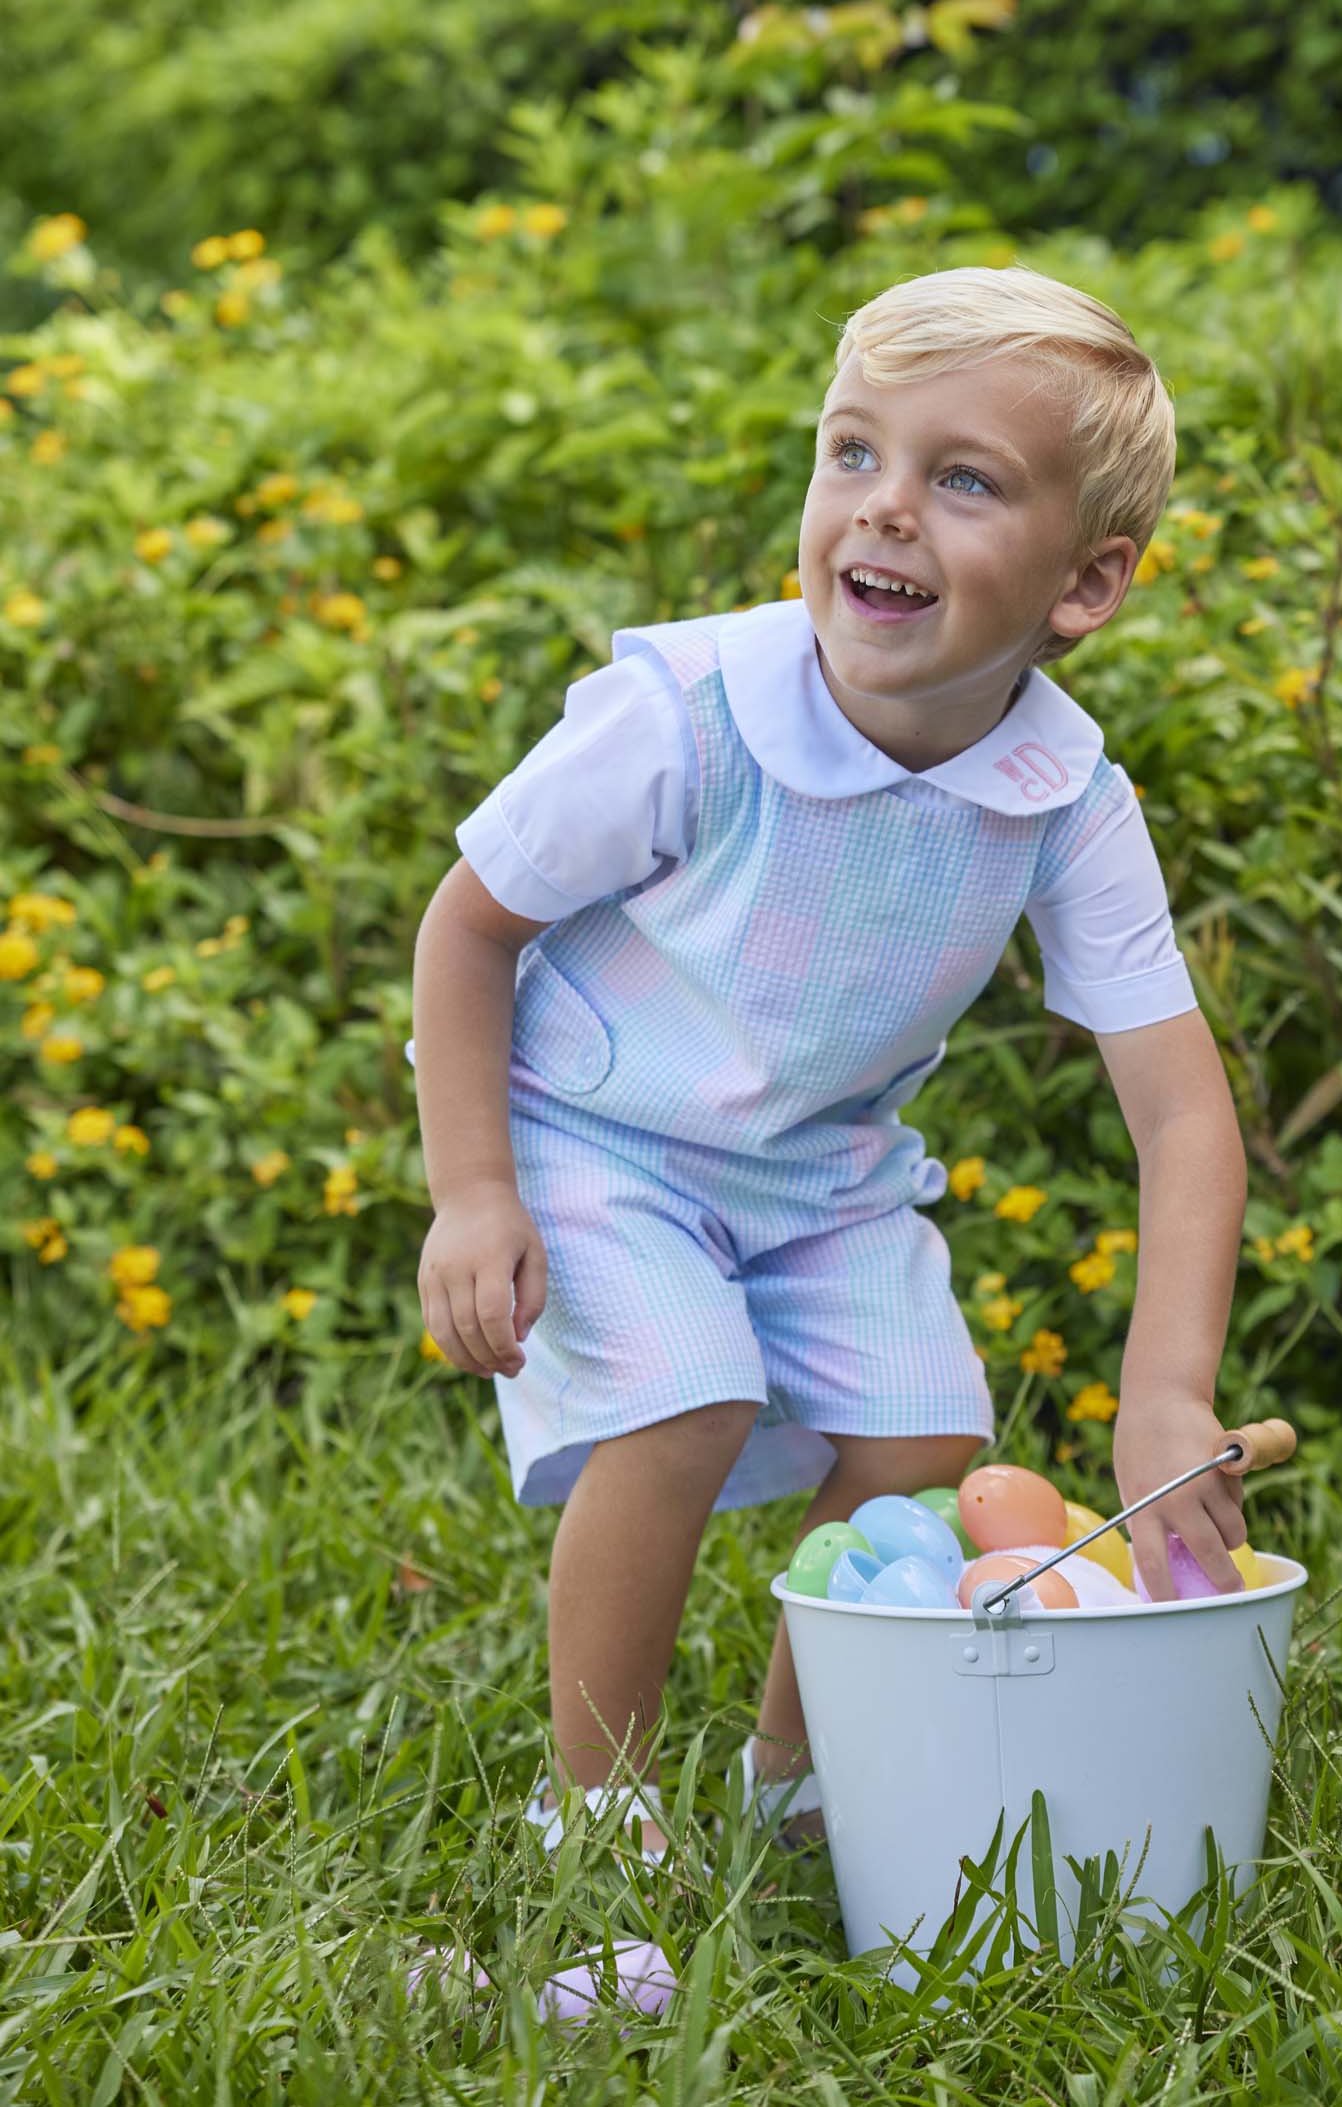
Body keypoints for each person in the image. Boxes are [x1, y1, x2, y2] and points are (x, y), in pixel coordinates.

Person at [408, 261, 1250, 1866]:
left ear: (1086, 586)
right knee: (687, 1404)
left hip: (823, 1172)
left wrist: (1166, 1392)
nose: (881, 511)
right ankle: (597, 1808)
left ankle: (800, 1780)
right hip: (598, 1136)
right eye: (852, 453)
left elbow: (1181, 1108)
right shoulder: (688, 715)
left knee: (927, 1440)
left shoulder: (1066, 796)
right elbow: (468, 931)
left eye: (964, 481)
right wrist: (472, 1193)